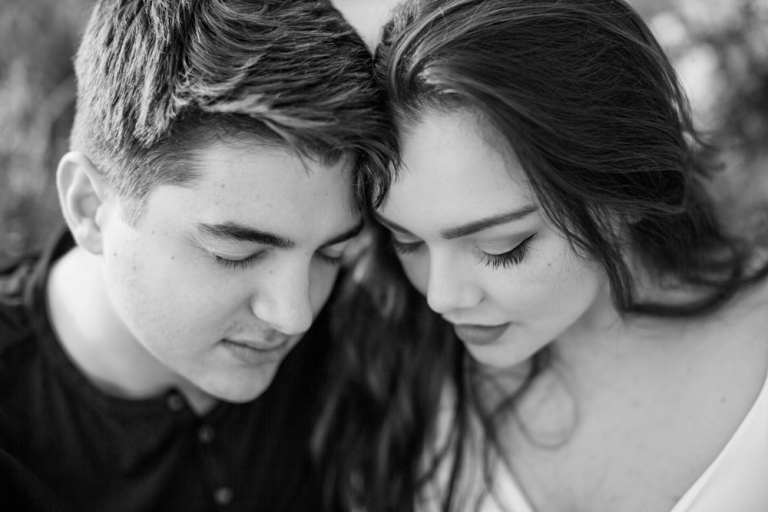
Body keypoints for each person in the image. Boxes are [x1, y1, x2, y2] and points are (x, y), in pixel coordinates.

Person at [316, 0, 768, 511]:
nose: (441, 298)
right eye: (408, 242)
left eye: (501, 248)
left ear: (621, 191)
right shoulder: (386, 364)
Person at [0, 0, 395, 510]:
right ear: (90, 205)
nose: (294, 316)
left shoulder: (365, 333)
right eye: (236, 253)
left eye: (331, 254)